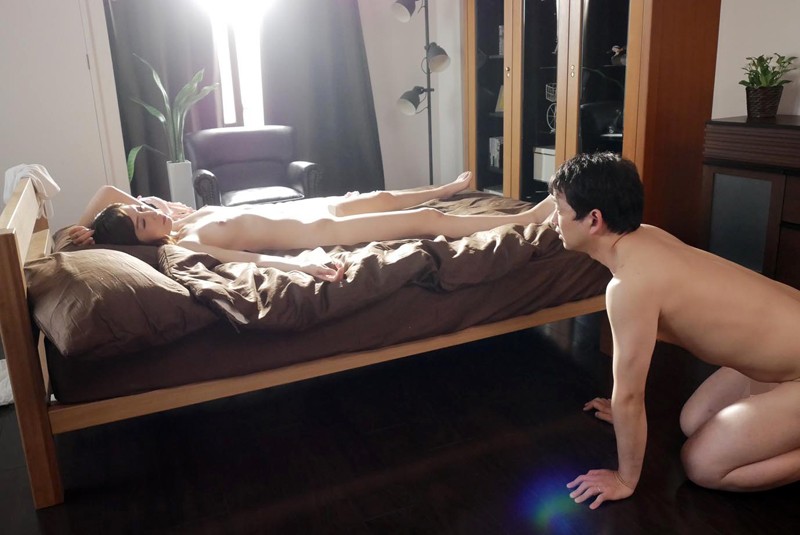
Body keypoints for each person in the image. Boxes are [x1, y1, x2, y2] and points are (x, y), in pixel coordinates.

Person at [544, 152, 800, 510]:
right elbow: (633, 374)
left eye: (559, 209)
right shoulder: (645, 236)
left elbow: (630, 395)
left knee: (701, 465)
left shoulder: (629, 286)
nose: (552, 220)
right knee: (692, 420)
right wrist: (623, 412)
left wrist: (625, 478)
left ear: (594, 220)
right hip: (787, 350)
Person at [69, 172, 554, 282]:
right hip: (323, 232)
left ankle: (444, 187)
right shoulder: (187, 242)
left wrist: (80, 226)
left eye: (142, 208)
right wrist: (304, 268)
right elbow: (252, 259)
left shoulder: (181, 218)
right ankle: (527, 218)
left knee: (384, 196)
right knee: (430, 222)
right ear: (140, 241)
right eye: (142, 220)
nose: (148, 211)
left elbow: (110, 192)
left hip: (316, 207)